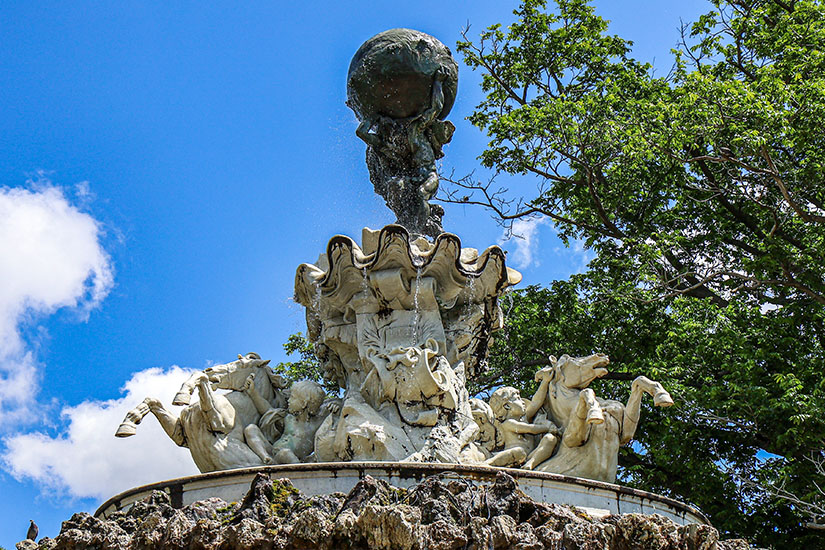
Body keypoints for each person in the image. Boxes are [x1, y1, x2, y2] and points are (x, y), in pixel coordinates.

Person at [485, 386, 560, 469]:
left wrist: (545, 382)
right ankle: (488, 463)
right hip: (514, 456)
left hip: (528, 456)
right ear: (507, 406)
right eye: (518, 399)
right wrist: (547, 427)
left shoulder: (525, 418)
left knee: (550, 439)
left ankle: (531, 464)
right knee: (518, 451)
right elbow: (530, 429)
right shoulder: (508, 423)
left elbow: (536, 403)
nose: (523, 402)